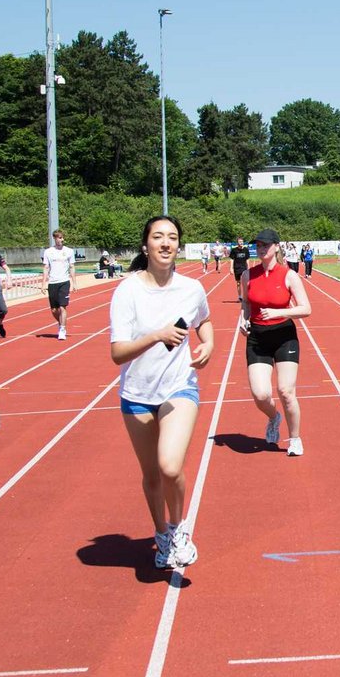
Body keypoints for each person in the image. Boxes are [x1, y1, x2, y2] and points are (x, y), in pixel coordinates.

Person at [110, 215, 213, 570]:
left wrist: (209, 343)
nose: (165, 243)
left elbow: (204, 320)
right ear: (146, 245)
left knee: (170, 466)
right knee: (152, 474)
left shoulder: (191, 289)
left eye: (172, 237)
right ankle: (161, 535)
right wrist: (156, 334)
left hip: (178, 386)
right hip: (136, 394)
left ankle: (179, 528)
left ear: (179, 246)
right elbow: (117, 353)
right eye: (158, 237)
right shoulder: (127, 291)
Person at [240, 228, 312, 457]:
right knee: (261, 395)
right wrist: (242, 321)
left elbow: (306, 309)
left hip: (284, 336)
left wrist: (281, 312)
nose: (261, 249)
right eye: (258, 245)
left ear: (276, 247)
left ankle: (295, 438)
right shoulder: (247, 275)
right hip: (258, 338)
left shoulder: (289, 275)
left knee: (285, 390)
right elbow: (246, 306)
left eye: (265, 245)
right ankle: (274, 417)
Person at [41, 229, 76, 340]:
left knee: (62, 307)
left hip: (64, 282)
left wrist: (74, 283)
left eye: (62, 238)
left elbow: (72, 267)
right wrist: (43, 284)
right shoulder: (48, 252)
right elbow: (46, 268)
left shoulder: (69, 251)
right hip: (52, 282)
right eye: (59, 238)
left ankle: (62, 329)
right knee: (54, 310)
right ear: (55, 238)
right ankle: (61, 323)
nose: (62, 240)